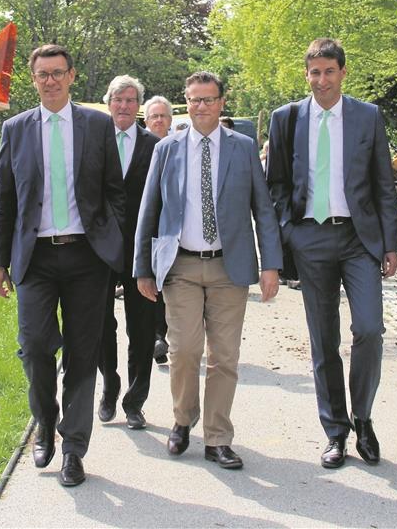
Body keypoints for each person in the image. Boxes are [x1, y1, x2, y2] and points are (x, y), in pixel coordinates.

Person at [0, 44, 125, 488]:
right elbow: (5, 201)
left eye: (57, 73)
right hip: (36, 259)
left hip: (87, 257)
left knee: (83, 356)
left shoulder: (98, 125)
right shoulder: (16, 129)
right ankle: (44, 421)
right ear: (34, 79)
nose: (50, 80)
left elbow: (114, 191)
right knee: (35, 348)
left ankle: (73, 448)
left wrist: (113, 239)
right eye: (42, 74)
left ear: (72, 76)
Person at [134, 71, 281, 470]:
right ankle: (183, 420)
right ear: (186, 102)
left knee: (225, 357)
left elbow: (262, 210)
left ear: (221, 103)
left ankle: (217, 438)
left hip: (228, 267)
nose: (201, 106)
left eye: (208, 99)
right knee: (183, 351)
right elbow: (149, 211)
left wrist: (272, 265)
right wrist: (142, 269)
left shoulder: (243, 148)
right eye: (194, 100)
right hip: (180, 266)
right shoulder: (167, 149)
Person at [265, 38, 397, 469]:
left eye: (329, 71)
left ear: (343, 72)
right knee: (324, 341)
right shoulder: (286, 119)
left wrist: (390, 243)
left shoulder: (368, 116)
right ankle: (335, 432)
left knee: (370, 329)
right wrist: (290, 232)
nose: (321, 80)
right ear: (306, 75)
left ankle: (363, 416)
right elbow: (277, 185)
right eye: (314, 72)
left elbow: (383, 185)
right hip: (311, 239)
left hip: (359, 240)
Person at [97, 75, 161, 430]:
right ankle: (110, 384)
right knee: (101, 324)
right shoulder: (94, 139)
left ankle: (135, 400)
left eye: (130, 100)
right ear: (109, 103)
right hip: (101, 249)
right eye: (118, 99)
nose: (123, 105)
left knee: (142, 326)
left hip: (142, 249)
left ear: (139, 106)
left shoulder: (154, 145)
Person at [142, 95, 174, 362]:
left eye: (164, 116)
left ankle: (160, 335)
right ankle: (154, 336)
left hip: (170, 229)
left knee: (165, 285)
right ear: (147, 119)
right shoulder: (139, 147)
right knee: (148, 283)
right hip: (143, 228)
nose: (159, 120)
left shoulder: (179, 147)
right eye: (154, 116)